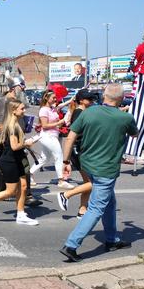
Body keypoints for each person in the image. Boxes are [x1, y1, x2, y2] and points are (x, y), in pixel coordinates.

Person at [59, 83, 138, 262]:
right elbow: (135, 134)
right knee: (96, 208)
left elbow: (70, 136)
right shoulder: (124, 117)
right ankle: (71, 245)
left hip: (88, 165)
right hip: (106, 169)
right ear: (121, 99)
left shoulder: (89, 112)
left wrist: (65, 161)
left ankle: (111, 239)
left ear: (104, 96)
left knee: (110, 202)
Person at [0, 100, 39, 225]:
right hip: (10, 161)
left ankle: (21, 215)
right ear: (14, 111)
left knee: (24, 186)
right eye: (22, 109)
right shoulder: (12, 126)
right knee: (10, 191)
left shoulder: (14, 124)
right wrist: (27, 143)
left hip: (17, 159)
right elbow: (14, 146)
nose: (24, 111)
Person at [57, 89, 96, 219]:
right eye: (89, 99)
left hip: (81, 150)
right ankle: (66, 195)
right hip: (79, 151)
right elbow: (74, 134)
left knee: (87, 183)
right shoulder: (80, 113)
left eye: (92, 99)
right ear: (81, 100)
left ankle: (82, 210)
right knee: (94, 183)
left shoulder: (82, 112)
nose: (92, 101)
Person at [29, 90, 73, 189]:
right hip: (47, 136)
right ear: (46, 98)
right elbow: (44, 125)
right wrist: (59, 123)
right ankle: (61, 180)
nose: (55, 99)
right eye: (53, 98)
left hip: (53, 136)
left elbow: (61, 105)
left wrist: (71, 100)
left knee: (44, 158)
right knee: (59, 156)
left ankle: (29, 174)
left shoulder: (52, 108)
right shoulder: (44, 110)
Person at [125, 30, 144, 161]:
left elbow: (132, 65)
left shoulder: (138, 47)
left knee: (140, 112)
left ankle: (130, 150)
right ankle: (133, 150)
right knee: (142, 114)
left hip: (140, 77)